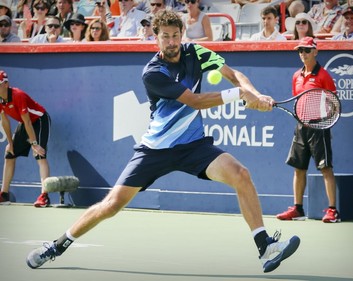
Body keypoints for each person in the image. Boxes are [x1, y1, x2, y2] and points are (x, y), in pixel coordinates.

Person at [26, 10, 300, 273]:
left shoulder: (195, 52)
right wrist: (239, 95)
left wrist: (254, 93)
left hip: (193, 145)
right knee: (111, 205)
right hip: (155, 150)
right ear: (155, 38)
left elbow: (233, 74)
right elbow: (195, 101)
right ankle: (57, 246)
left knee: (241, 174)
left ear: (182, 33)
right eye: (164, 36)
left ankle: (265, 247)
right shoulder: (153, 72)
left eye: (174, 35)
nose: (171, 42)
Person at [276, 37, 340, 223]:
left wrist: (325, 122)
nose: (302, 53)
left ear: (315, 52)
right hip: (301, 127)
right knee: (299, 168)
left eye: (306, 50)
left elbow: (334, 102)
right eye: (300, 50)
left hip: (319, 127)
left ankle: (332, 211)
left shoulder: (324, 76)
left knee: (325, 168)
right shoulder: (296, 75)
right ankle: (297, 209)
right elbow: (298, 100)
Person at [0, 70, 52, 207]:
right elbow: (4, 120)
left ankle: (44, 196)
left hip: (39, 120)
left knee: (40, 155)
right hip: (25, 123)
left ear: (6, 84)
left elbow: (28, 121)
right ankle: (4, 195)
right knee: (9, 154)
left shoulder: (18, 95)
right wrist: (10, 143)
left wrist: (34, 143)